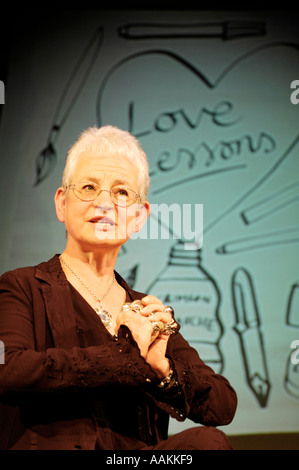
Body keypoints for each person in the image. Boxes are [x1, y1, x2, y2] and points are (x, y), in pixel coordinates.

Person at [0, 125, 237, 450]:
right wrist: (125, 360)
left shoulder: (147, 314)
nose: (105, 203)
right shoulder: (23, 287)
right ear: (62, 203)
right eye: (88, 187)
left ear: (139, 217)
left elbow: (223, 405)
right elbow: (8, 369)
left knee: (209, 443)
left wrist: (161, 369)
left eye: (122, 192)